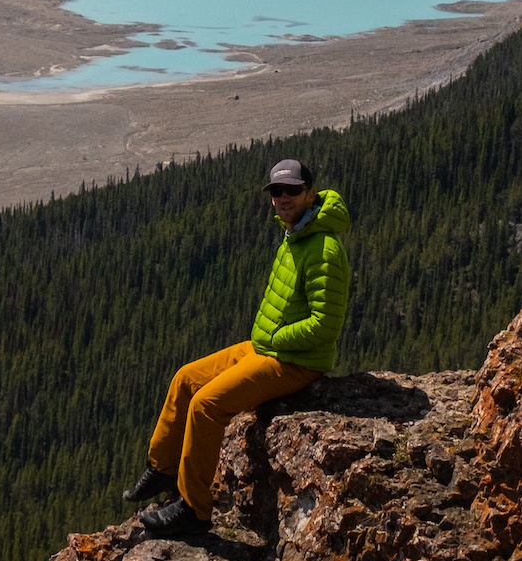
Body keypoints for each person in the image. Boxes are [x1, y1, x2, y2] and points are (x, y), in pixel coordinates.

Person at [123, 158, 352, 539]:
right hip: (267, 348)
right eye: (276, 191)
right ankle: (163, 468)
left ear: (310, 193)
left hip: (295, 361)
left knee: (207, 405)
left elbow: (325, 326)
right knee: (185, 379)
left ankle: (194, 512)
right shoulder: (296, 234)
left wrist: (274, 342)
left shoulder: (324, 248)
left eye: (292, 190)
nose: (282, 198)